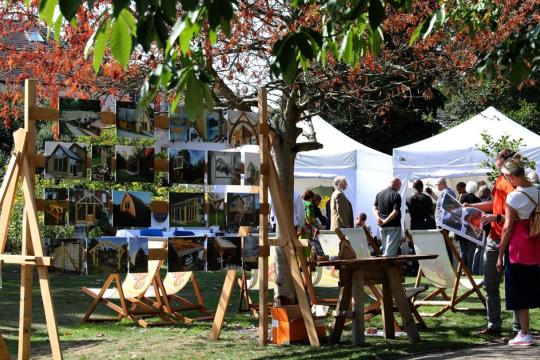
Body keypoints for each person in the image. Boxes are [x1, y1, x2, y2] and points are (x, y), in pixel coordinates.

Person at [465, 149, 520, 337]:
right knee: (490, 284)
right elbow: (493, 205)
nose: (496, 164)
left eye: (497, 161)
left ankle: (518, 329)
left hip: (510, 238)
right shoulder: (498, 181)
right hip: (493, 239)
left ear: (505, 161)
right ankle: (493, 325)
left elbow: (515, 217)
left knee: (513, 283)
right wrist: (471, 206)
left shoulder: (513, 182)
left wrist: (496, 217)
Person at [496, 157, 540, 346]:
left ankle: (524, 333)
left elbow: (507, 228)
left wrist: (500, 254)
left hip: (518, 248)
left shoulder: (513, 196)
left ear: (511, 177)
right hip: (536, 245)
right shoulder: (538, 191)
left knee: (519, 292)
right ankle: (524, 333)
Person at [373, 177, 402, 256]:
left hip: (382, 227)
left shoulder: (379, 193)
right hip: (393, 226)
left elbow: (374, 208)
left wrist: (378, 219)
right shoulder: (396, 195)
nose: (400, 186)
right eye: (400, 184)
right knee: (390, 253)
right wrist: (384, 221)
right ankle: (387, 268)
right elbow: (395, 211)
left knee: (385, 250)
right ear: (396, 184)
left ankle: (384, 267)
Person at [456, 181, 481, 270]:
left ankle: (462, 270)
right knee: (470, 250)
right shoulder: (478, 200)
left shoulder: (462, 198)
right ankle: (468, 270)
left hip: (462, 227)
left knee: (463, 250)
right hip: (472, 228)